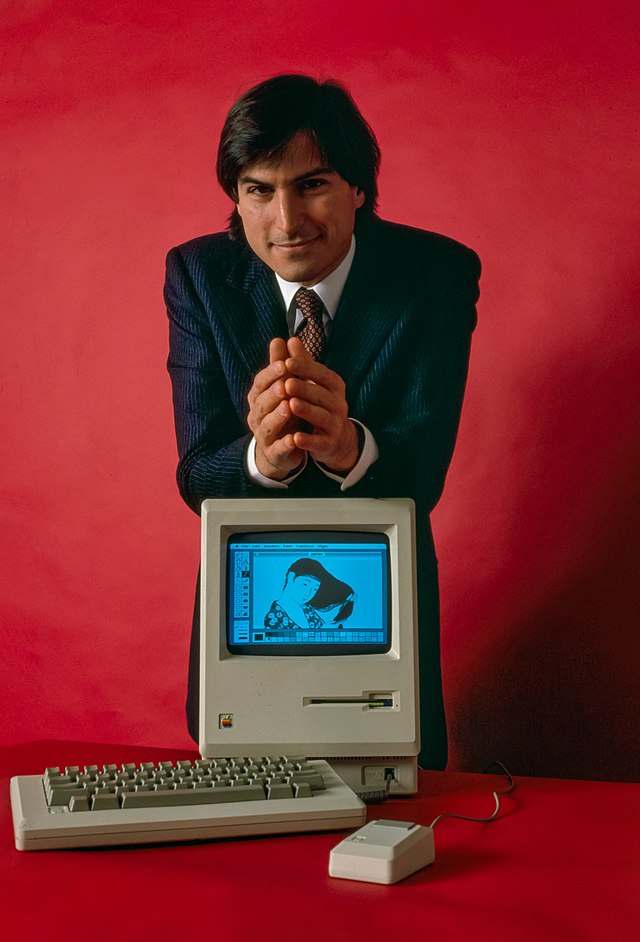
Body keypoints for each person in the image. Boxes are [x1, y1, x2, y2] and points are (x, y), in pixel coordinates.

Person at [165, 73, 480, 769]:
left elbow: (421, 475)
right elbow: (196, 475)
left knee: (390, 824)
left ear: (359, 189)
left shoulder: (437, 274)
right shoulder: (196, 275)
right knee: (247, 840)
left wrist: (348, 447)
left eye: (312, 184)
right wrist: (261, 461)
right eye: (258, 189)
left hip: (385, 618)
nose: (286, 221)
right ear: (236, 198)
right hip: (242, 615)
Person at [264, 558, 356, 631]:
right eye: (305, 584)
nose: (308, 593)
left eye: (315, 589)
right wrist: (322, 634)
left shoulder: (306, 609)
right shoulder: (273, 618)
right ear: (291, 578)